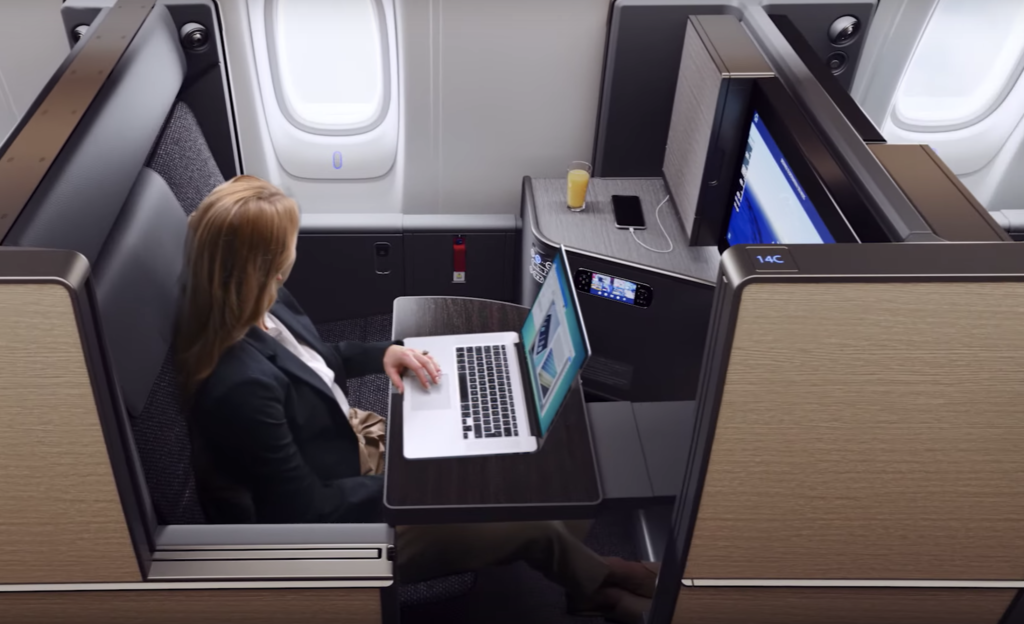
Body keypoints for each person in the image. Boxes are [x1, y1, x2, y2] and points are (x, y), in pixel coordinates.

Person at [176, 175, 657, 623]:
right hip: (339, 526)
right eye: (287, 247)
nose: (293, 255)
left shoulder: (265, 302)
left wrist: (387, 352)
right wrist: (420, 485)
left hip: (349, 443)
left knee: (527, 472)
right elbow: (305, 511)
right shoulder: (239, 387)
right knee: (524, 517)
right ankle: (599, 583)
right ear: (257, 267)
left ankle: (584, 575)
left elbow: (321, 360)